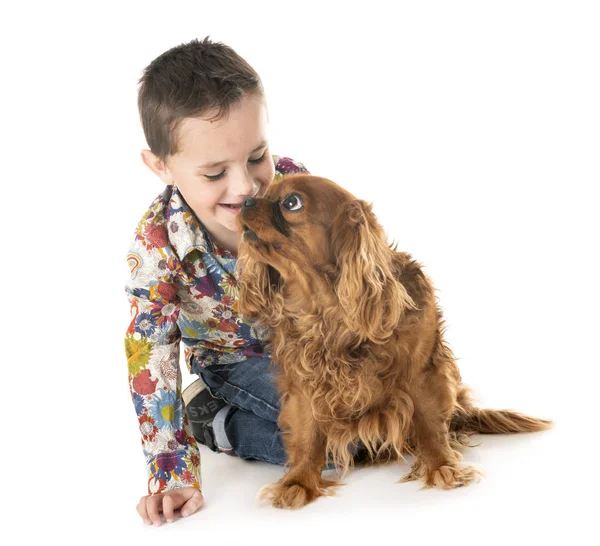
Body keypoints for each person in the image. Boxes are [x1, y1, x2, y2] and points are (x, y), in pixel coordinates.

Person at [124, 37, 309, 526]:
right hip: (235, 361)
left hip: (309, 341)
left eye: (257, 156)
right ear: (161, 166)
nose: (246, 187)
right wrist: (171, 469)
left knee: (372, 409)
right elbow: (150, 350)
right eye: (214, 172)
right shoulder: (158, 244)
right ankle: (214, 418)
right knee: (320, 442)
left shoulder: (293, 190)